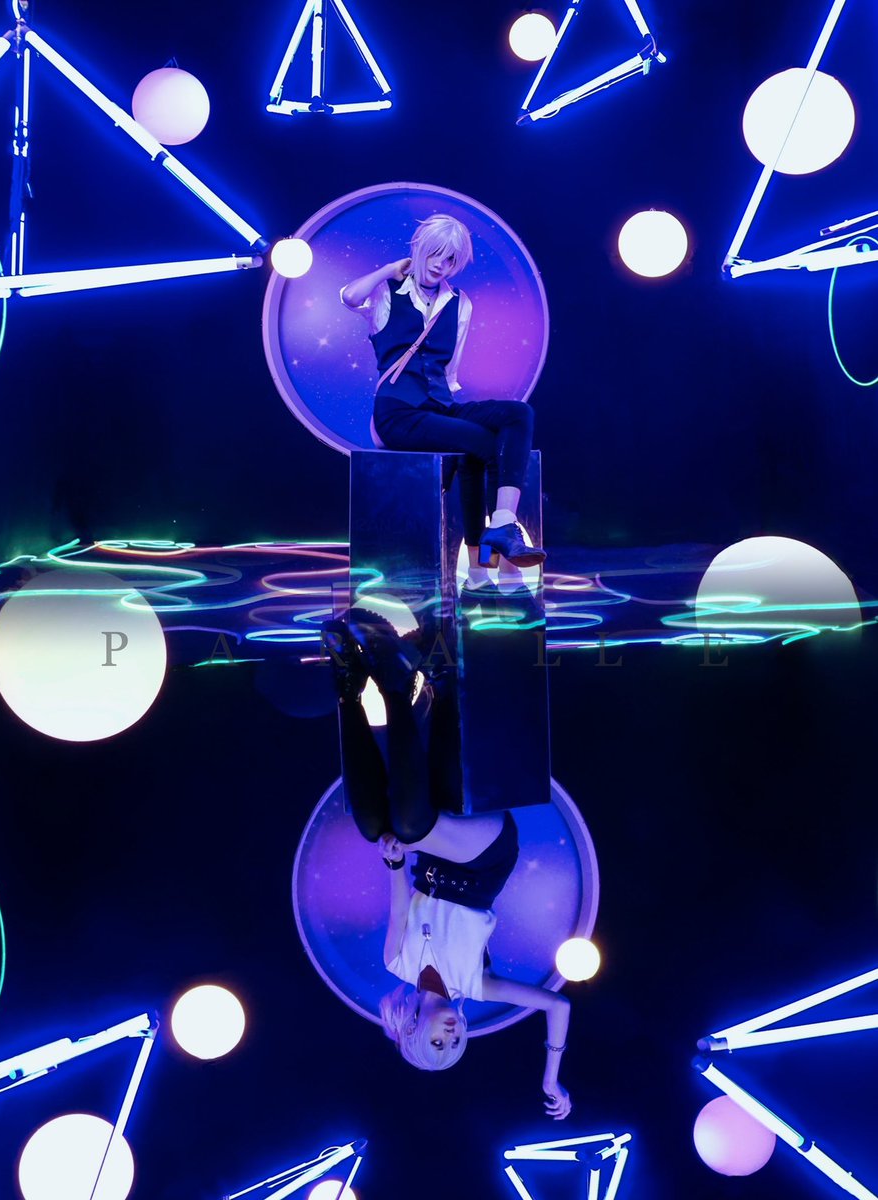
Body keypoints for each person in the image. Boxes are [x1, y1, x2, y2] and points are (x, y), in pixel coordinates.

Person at [323, 612, 571, 1118]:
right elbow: (558, 1005)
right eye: (456, 1046)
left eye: (439, 1044)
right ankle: (393, 682)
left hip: (433, 858)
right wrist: (551, 1076)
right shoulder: (477, 986)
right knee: (409, 827)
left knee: (376, 828)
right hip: (485, 860)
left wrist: (394, 862)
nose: (453, 1037)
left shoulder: (397, 963)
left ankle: (349, 683)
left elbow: (399, 907)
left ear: (414, 1031)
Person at [341, 213, 546, 588]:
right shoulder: (387, 291)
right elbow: (350, 297)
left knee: (517, 415)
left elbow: (449, 372)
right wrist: (388, 269)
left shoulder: (459, 303)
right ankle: (490, 563)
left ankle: (499, 530)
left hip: (438, 406)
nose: (440, 265)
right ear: (419, 249)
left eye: (450, 259)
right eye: (435, 254)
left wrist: (455, 414)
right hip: (397, 414)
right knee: (482, 444)